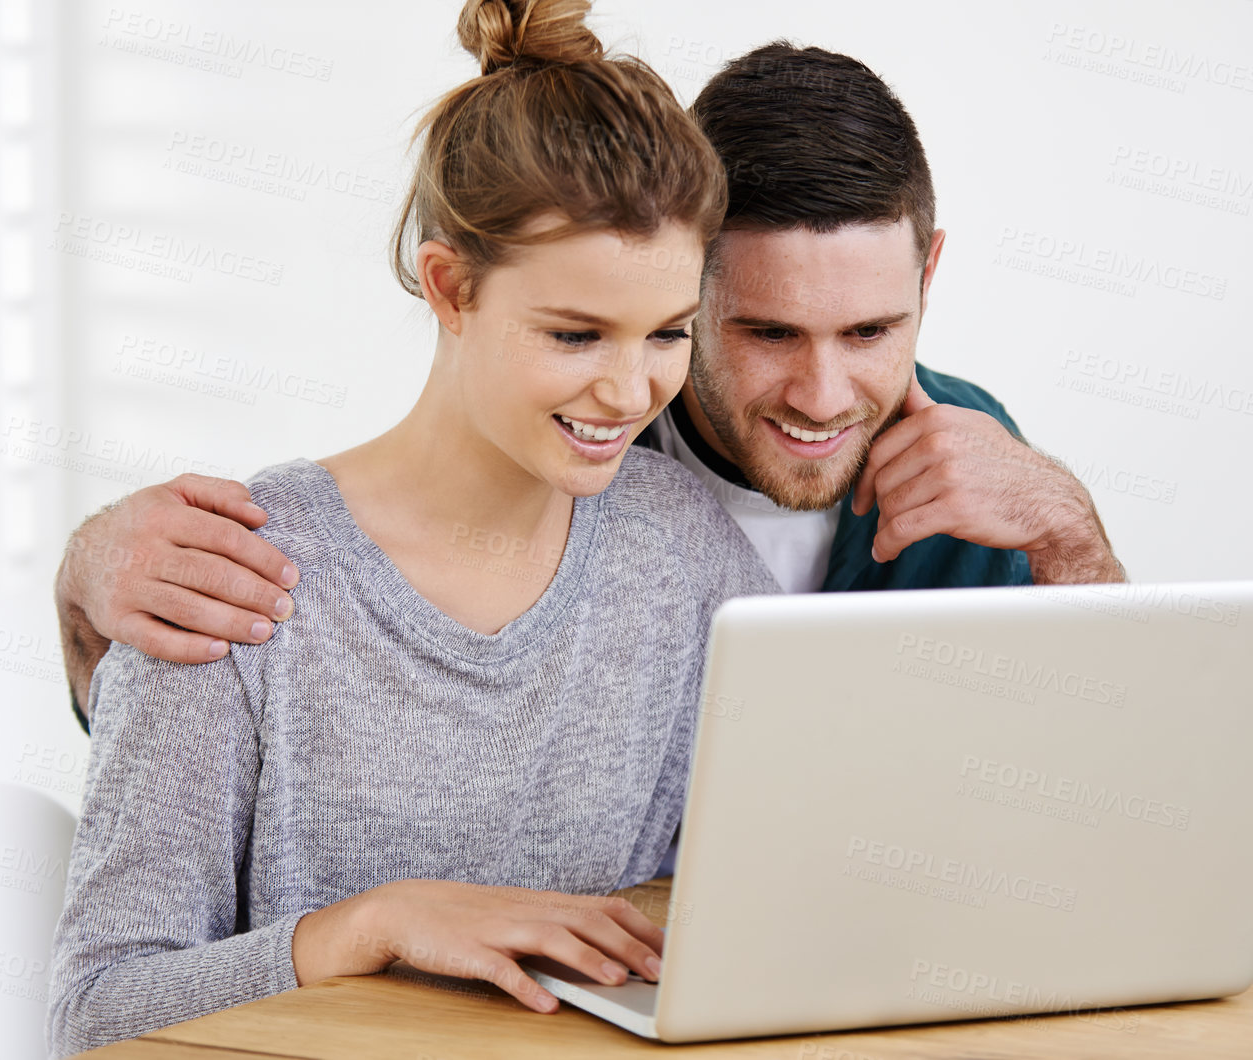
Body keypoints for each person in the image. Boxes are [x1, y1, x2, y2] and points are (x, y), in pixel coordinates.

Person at [45, 2, 778, 1054]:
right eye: (575, 333)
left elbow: (788, 864)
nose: (631, 389)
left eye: (667, 333)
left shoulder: (681, 548)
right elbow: (95, 1013)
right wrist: (371, 925)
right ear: (450, 286)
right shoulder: (230, 571)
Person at [51, 41, 1125, 729]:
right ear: (682, 283)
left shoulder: (976, 455)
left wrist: (1075, 541)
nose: (822, 391)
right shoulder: (572, 446)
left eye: (871, 329)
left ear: (928, 275)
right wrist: (86, 580)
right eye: (765, 331)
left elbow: (1108, 778)